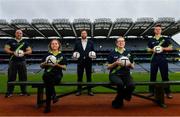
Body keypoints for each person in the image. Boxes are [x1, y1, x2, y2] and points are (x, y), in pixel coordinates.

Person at [107, 37, 135, 109]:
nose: (121, 43)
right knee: (120, 84)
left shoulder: (129, 53)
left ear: (124, 43)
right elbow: (108, 67)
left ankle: (122, 97)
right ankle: (119, 102)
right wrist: (115, 63)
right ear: (116, 43)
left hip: (126, 74)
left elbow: (133, 66)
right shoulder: (112, 52)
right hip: (114, 74)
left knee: (131, 85)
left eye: (122, 41)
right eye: (119, 41)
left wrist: (129, 64)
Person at [40, 39, 67, 113]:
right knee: (46, 78)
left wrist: (57, 64)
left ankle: (48, 106)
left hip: (57, 75)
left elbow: (64, 67)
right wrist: (45, 63)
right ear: (50, 46)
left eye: (56, 43)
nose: (54, 45)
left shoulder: (62, 55)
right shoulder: (47, 55)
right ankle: (54, 95)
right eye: (52, 44)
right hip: (47, 74)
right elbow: (41, 66)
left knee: (48, 86)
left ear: (59, 45)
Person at [147, 24, 173, 99]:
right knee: (152, 76)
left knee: (165, 76)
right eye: (156, 29)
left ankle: (168, 92)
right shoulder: (151, 40)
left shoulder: (165, 39)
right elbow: (148, 49)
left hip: (163, 59)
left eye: (159, 29)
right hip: (154, 59)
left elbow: (171, 48)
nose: (157, 30)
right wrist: (153, 49)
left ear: (161, 30)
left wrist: (162, 48)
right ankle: (151, 92)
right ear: (154, 30)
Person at [4, 29, 32, 98]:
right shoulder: (10, 41)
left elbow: (30, 50)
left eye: (20, 33)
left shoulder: (25, 42)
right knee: (11, 77)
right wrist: (13, 52)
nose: (19, 34)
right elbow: (6, 49)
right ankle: (9, 92)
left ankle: (23, 91)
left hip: (22, 61)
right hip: (13, 61)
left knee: (23, 77)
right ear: (15, 34)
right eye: (17, 33)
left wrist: (24, 53)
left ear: (22, 34)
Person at [73, 29, 95, 96]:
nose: (83, 34)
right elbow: (75, 51)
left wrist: (93, 56)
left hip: (88, 62)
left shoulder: (91, 42)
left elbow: (93, 51)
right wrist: (74, 55)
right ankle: (79, 91)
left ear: (86, 34)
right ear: (81, 34)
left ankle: (89, 91)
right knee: (79, 77)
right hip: (80, 62)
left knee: (89, 77)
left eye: (84, 33)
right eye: (82, 33)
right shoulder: (77, 42)